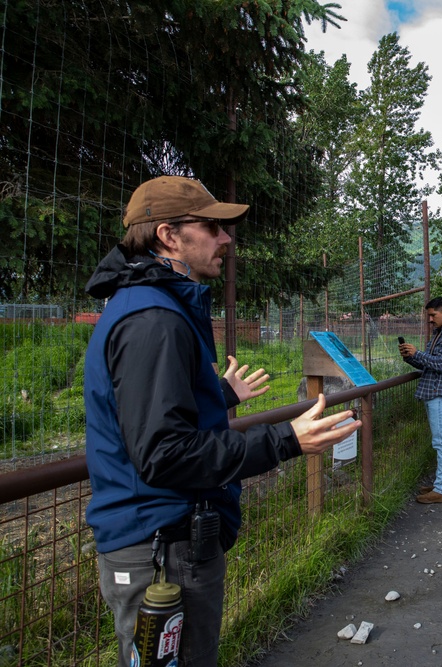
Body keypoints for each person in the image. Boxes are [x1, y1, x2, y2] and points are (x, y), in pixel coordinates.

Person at [84, 176, 361, 666]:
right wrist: (286, 440)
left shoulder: (157, 306)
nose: (227, 239)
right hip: (161, 548)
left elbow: (155, 409)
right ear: (169, 235)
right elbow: (162, 452)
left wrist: (215, 397)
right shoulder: (153, 319)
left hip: (169, 537)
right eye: (213, 227)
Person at [400, 297, 442, 504]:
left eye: (432, 315)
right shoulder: (439, 333)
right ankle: (440, 483)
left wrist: (418, 353)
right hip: (433, 392)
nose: (430, 319)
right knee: (440, 442)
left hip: (440, 393)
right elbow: (429, 363)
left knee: (441, 443)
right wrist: (410, 357)